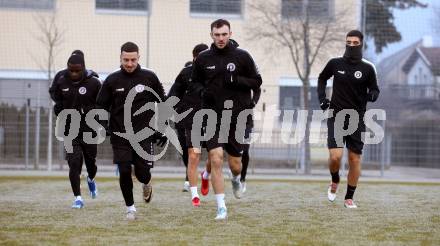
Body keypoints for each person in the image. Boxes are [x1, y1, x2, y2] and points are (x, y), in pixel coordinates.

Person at [190, 19, 262, 219]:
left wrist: (237, 80)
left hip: (237, 117)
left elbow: (257, 81)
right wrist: (203, 91)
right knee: (215, 158)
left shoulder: (243, 56)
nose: (220, 38)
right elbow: (194, 83)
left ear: (230, 33)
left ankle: (237, 179)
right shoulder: (203, 59)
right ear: (211, 35)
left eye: (224, 34)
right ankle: (221, 207)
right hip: (212, 115)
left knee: (235, 164)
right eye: (217, 34)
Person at [96, 42, 167, 220]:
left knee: (143, 173)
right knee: (124, 169)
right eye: (126, 60)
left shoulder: (150, 77)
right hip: (120, 134)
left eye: (133, 60)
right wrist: (102, 125)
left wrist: (161, 128)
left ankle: (146, 183)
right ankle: (130, 208)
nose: (129, 63)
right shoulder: (112, 80)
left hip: (144, 134)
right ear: (120, 58)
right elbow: (100, 106)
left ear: (138, 58)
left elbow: (164, 103)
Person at [317, 30, 380, 208]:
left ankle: (349, 198)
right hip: (336, 116)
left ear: (361, 44)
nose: (351, 45)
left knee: (354, 159)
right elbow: (322, 78)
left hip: (357, 119)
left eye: (355, 43)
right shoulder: (335, 63)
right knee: (335, 157)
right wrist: (322, 99)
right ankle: (335, 179)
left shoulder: (368, 67)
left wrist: (372, 96)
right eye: (349, 42)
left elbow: (375, 89)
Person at [52, 54, 101, 209]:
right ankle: (78, 198)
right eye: (71, 70)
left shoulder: (94, 83)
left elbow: (103, 103)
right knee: (74, 163)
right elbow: (57, 100)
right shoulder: (61, 81)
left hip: (89, 129)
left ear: (83, 68)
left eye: (77, 70)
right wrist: (58, 108)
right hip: (70, 129)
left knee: (91, 163)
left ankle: (91, 180)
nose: (73, 73)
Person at [167, 44, 209, 201]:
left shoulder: (215, 73)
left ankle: (206, 174)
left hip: (212, 119)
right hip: (189, 120)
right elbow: (173, 94)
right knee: (191, 153)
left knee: (214, 155)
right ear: (194, 58)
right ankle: (193, 190)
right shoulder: (186, 74)